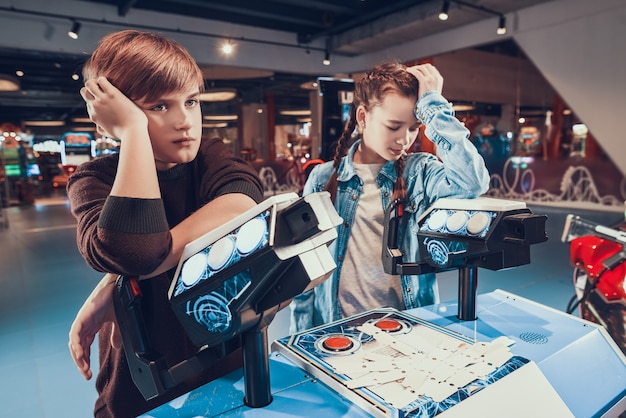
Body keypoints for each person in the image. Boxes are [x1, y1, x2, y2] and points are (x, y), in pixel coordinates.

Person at [66, 30, 263, 418]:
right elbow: (133, 250)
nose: (185, 121)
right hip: (141, 394)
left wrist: (122, 279)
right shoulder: (93, 180)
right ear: (111, 118)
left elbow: (243, 202)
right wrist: (134, 134)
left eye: (191, 101)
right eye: (158, 106)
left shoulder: (208, 157)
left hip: (230, 376)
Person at [289, 62, 489, 333]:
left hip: (406, 328)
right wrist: (301, 335)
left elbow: (472, 180)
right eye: (393, 126)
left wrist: (433, 108)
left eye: (414, 127)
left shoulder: (420, 172)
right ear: (363, 117)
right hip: (337, 330)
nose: (404, 140)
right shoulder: (323, 179)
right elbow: (304, 265)